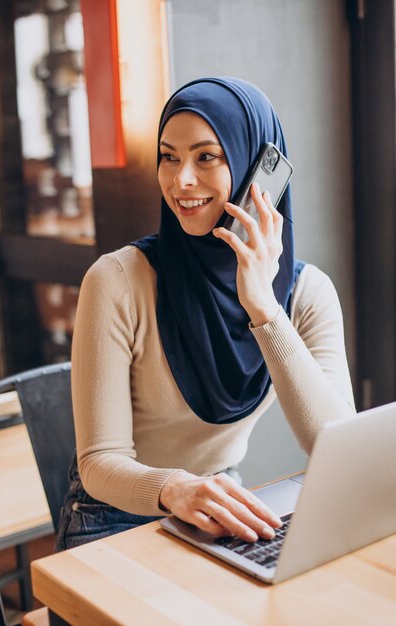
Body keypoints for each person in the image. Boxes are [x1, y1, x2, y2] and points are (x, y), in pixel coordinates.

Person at [56, 77, 355, 551]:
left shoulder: (308, 295)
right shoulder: (116, 280)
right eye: (168, 156)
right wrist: (177, 489)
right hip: (110, 516)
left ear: (256, 167)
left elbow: (338, 448)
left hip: (216, 499)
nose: (181, 181)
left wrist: (263, 309)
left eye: (206, 156)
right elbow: (99, 463)